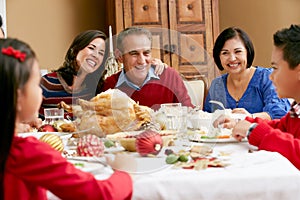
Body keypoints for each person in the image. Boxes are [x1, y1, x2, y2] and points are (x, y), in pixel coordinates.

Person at [0, 38, 132, 199]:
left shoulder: (97, 86)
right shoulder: (25, 152)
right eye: (35, 84)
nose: (40, 91)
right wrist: (125, 173)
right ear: (18, 96)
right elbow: (102, 193)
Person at [218, 24, 300, 169]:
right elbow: (281, 126)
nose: (272, 76)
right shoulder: (296, 110)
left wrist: (252, 130)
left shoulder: (262, 78)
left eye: (275, 68)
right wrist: (243, 122)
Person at [40, 29, 166, 119]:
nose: (95, 55)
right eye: (91, 48)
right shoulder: (47, 83)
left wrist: (153, 65)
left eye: (101, 53)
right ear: (75, 50)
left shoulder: (98, 90)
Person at [204, 27, 290, 119]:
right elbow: (208, 118)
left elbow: (279, 114)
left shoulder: (267, 78)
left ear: (248, 52)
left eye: (238, 52)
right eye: (225, 53)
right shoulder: (217, 85)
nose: (232, 58)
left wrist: (250, 117)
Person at [102, 26, 193, 110]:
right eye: (134, 53)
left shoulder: (170, 76)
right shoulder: (110, 85)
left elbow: (190, 114)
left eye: (146, 53)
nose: (142, 61)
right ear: (120, 56)